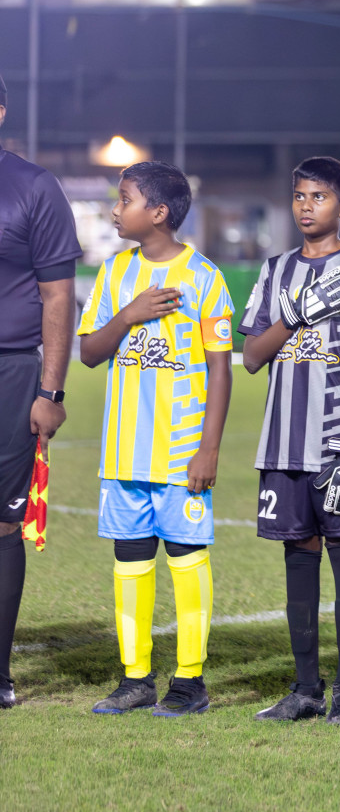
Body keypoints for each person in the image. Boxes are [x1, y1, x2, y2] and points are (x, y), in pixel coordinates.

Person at [79, 161, 233, 717]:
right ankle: (136, 678)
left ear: (159, 213)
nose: (116, 210)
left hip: (180, 455)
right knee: (130, 562)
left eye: (124, 200)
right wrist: (130, 314)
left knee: (187, 560)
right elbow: (90, 353)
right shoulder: (116, 273)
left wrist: (209, 447)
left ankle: (190, 681)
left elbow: (221, 370)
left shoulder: (203, 276)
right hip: (123, 454)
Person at [239, 157, 340, 724]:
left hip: (338, 444)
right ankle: (305, 688)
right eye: (299, 196)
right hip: (283, 443)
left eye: (319, 197)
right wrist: (298, 312)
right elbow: (252, 356)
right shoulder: (275, 271)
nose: (307, 206)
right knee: (297, 555)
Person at [0, 74, 82, 708]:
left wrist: (49, 389)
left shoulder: (34, 188)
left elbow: (59, 295)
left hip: (11, 371)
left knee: (1, 526)